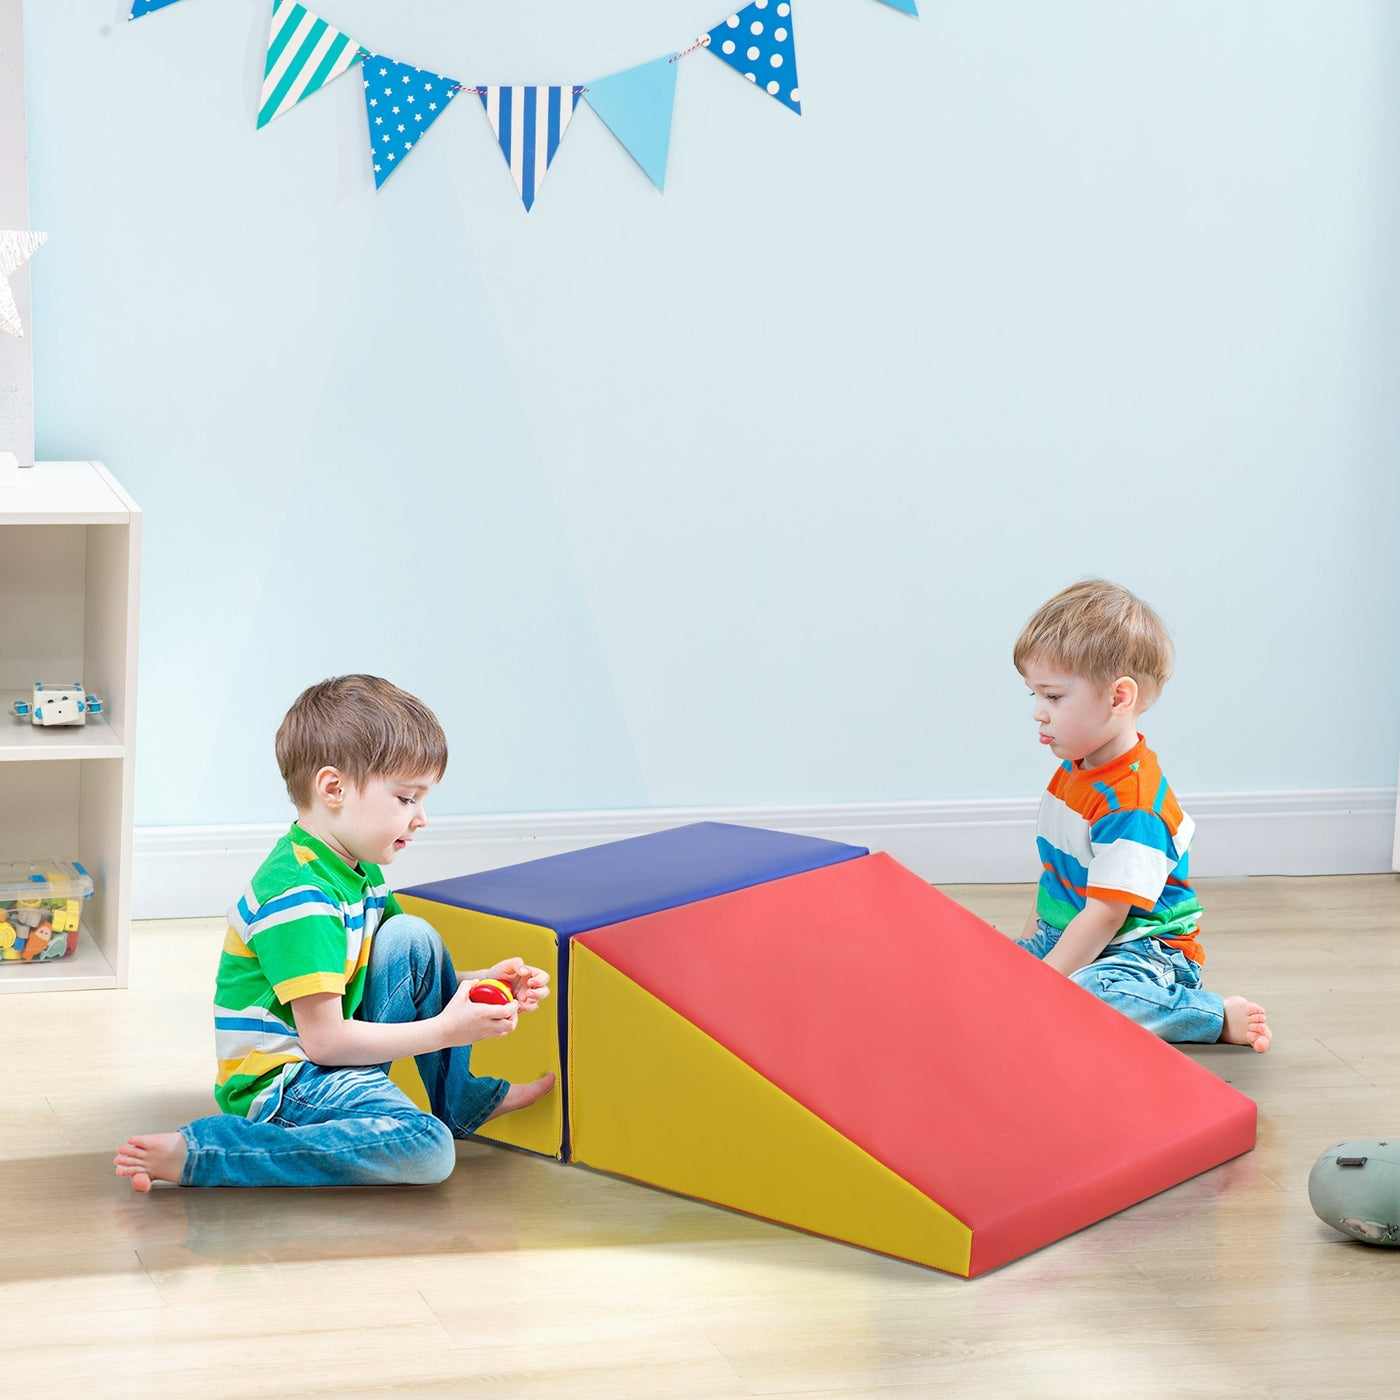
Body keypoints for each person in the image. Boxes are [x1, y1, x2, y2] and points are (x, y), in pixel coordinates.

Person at [115, 675, 555, 1191]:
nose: (422, 819)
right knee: (427, 1149)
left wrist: (480, 982)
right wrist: (448, 1030)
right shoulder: (299, 896)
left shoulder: (357, 870)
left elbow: (393, 974)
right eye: (406, 798)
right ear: (333, 789)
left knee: (411, 937)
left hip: (332, 1058)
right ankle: (213, 1151)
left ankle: (460, 1103)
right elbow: (324, 1042)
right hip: (288, 1083)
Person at [1013, 580, 1272, 1052]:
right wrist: (1028, 948)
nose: (1037, 713)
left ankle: (1210, 1015)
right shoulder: (1073, 771)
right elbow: (1052, 874)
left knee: (1087, 994)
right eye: (1033, 694)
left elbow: (1106, 915)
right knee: (988, 967)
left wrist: (1042, 983)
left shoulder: (1133, 803)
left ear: (1118, 698)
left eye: (1052, 697)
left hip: (1143, 949)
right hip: (1072, 928)